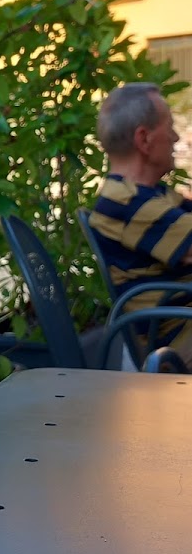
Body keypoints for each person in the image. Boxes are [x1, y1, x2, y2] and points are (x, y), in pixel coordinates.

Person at [90, 82, 192, 364]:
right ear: (144, 139)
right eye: (169, 126)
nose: (175, 137)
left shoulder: (148, 195)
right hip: (175, 343)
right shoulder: (126, 203)